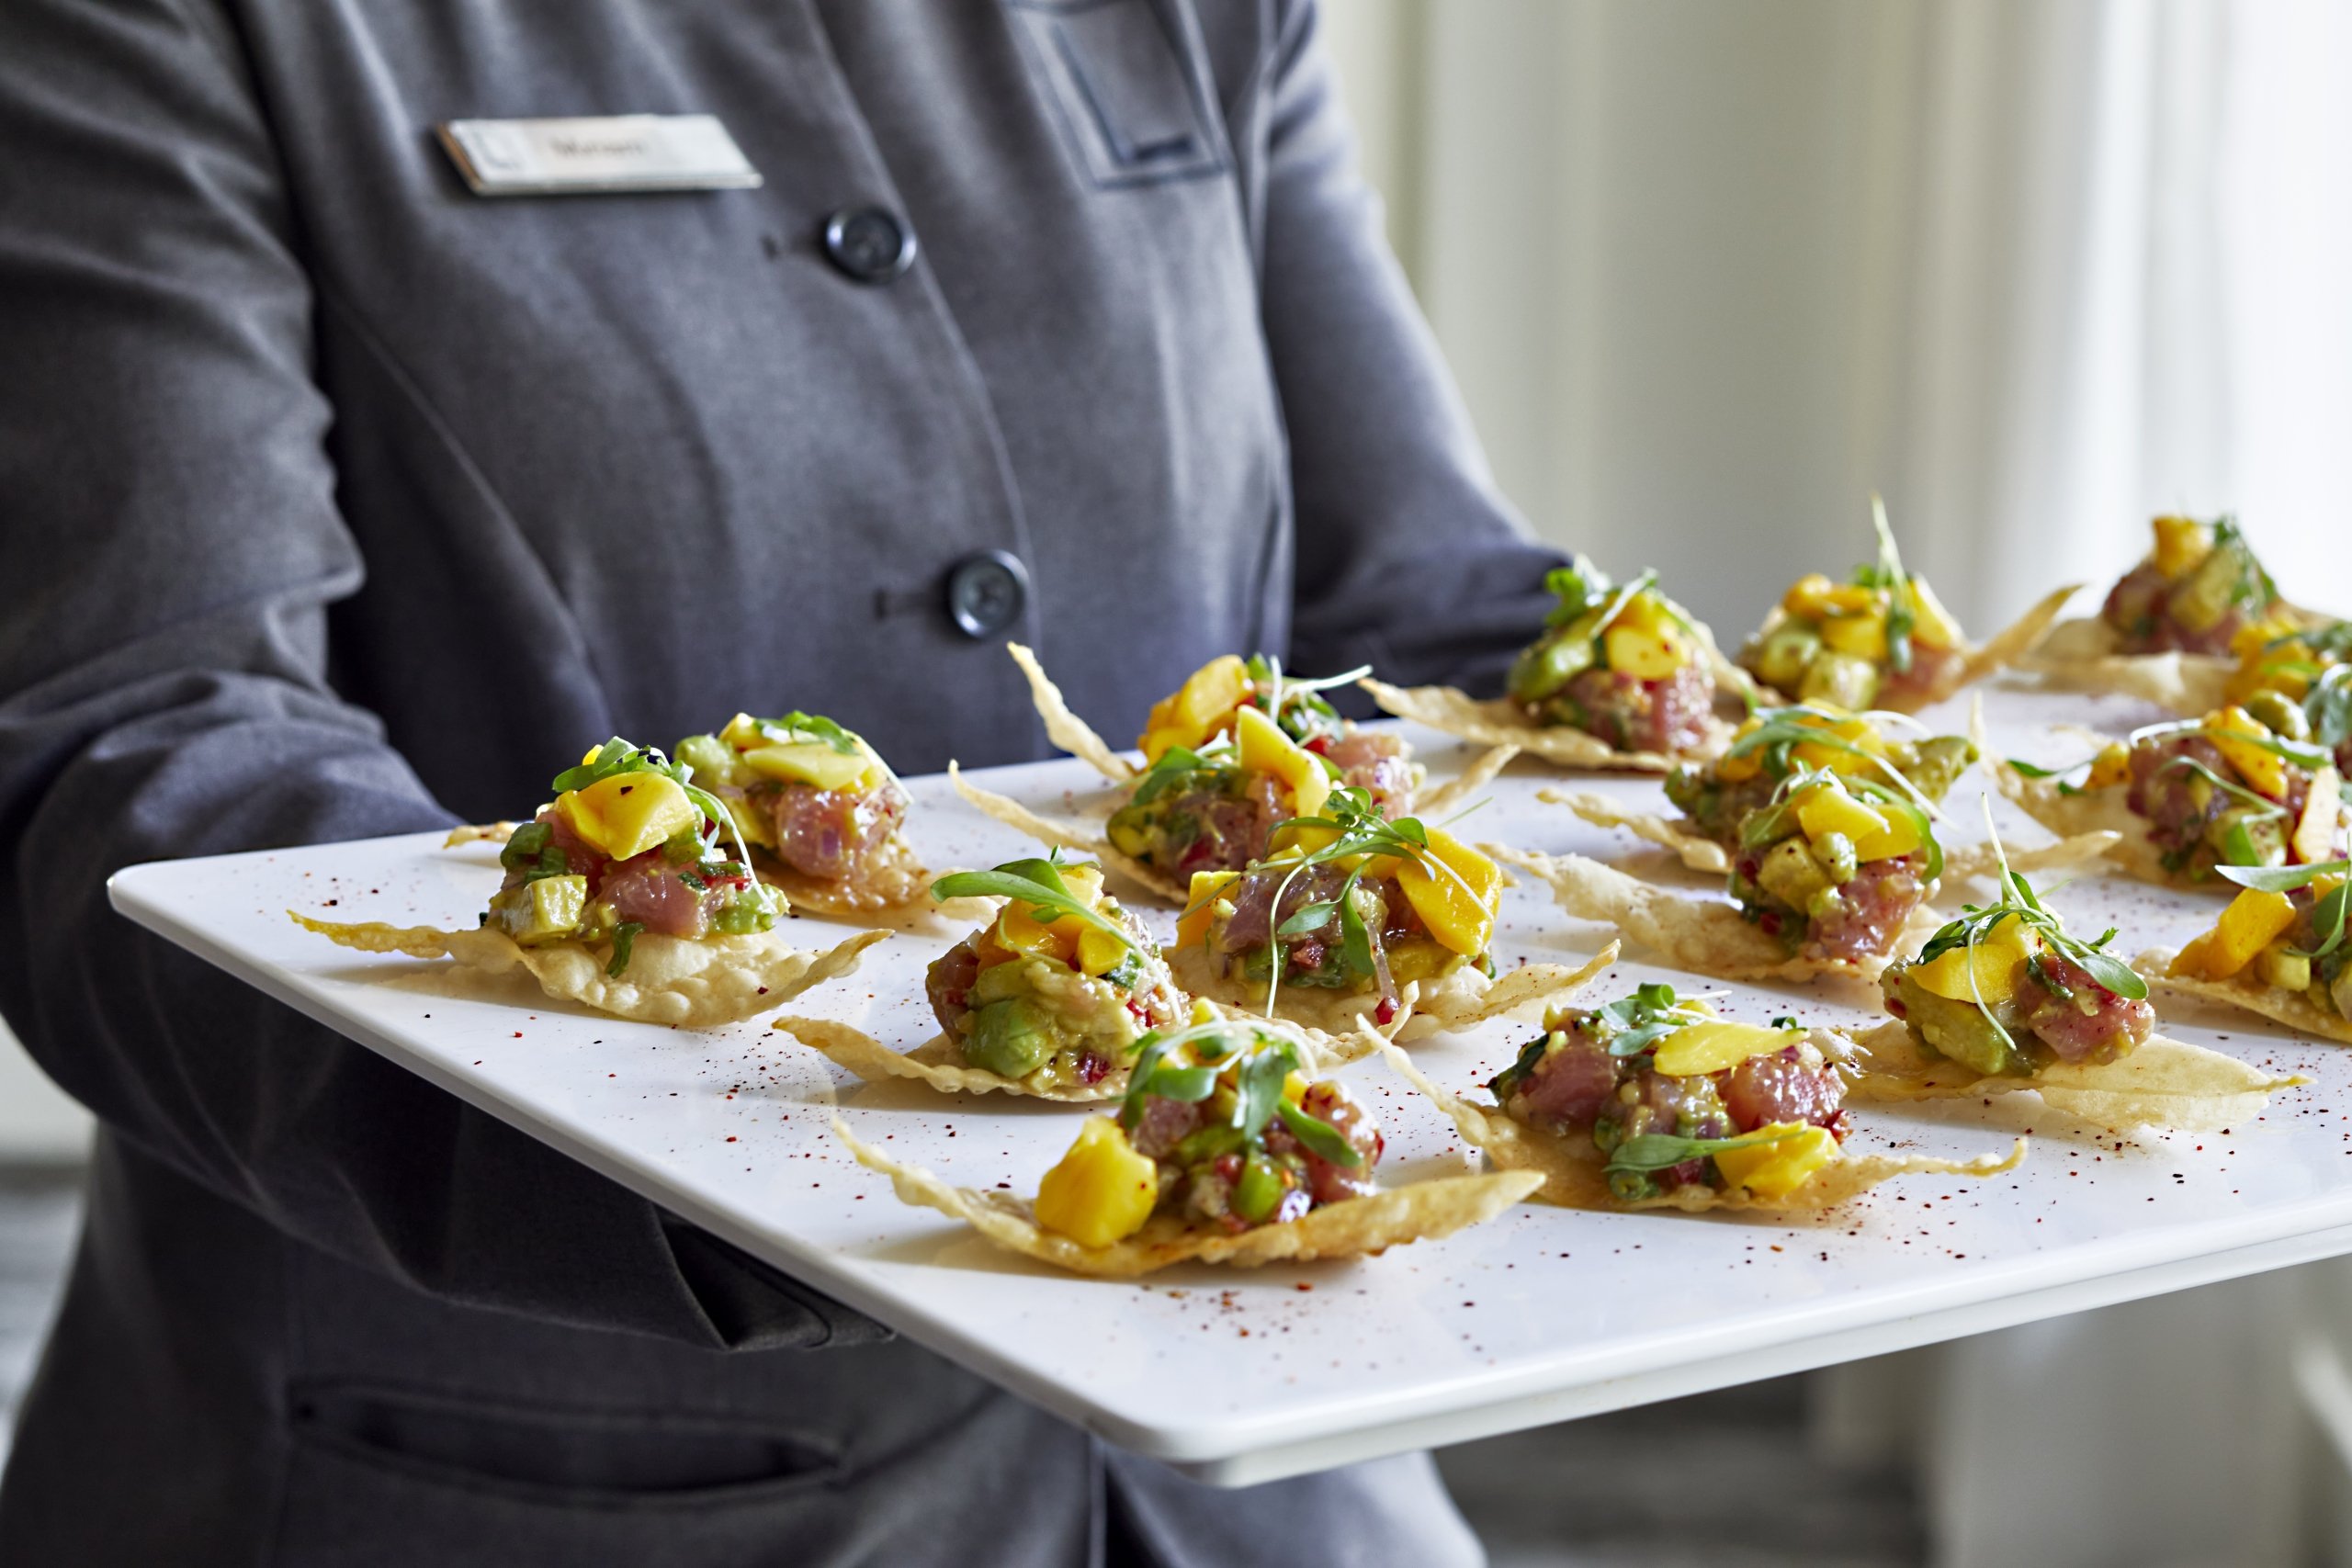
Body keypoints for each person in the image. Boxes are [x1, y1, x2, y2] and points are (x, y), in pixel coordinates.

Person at [0, 1, 1562, 1562]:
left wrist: (1672, 751)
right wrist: (695, 1145)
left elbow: (1421, 592)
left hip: (1284, 1447)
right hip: (527, 1464)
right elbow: (134, 730)